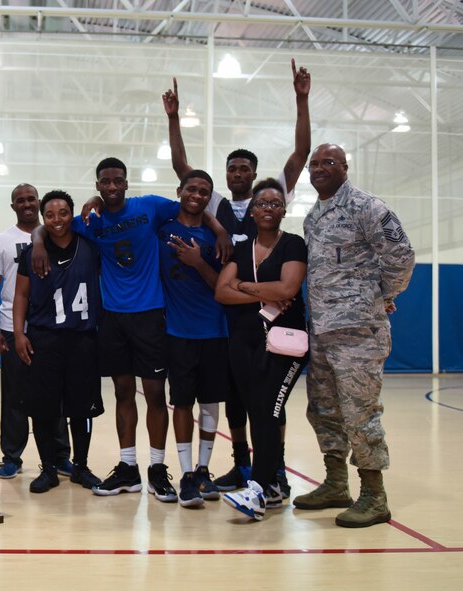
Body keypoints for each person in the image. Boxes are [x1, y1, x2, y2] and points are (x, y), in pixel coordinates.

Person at [32, 157, 231, 502]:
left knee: (154, 395)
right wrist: (36, 242)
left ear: (126, 183)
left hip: (150, 315)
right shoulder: (90, 221)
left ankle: (156, 468)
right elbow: (46, 228)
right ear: (97, 186)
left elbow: (193, 205)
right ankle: (128, 469)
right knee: (124, 394)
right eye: (105, 182)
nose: (111, 187)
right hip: (111, 318)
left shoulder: (150, 206)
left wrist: (220, 229)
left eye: (117, 181)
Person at [163, 59, 311, 497]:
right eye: (233, 169)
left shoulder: (272, 199)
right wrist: (173, 119)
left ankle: (275, 470)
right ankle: (243, 463)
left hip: (276, 321)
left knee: (272, 403)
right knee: (236, 400)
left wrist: (301, 101)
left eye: (245, 168)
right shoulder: (216, 208)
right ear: (227, 176)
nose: (239, 174)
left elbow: (299, 154)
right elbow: (181, 167)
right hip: (232, 321)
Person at [294, 144, 415, 528]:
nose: (318, 169)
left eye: (328, 162)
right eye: (313, 164)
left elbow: (402, 255)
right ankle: (335, 484)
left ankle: (374, 497)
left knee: (360, 415)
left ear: (345, 167)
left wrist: (383, 295)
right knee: (323, 410)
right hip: (323, 331)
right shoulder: (313, 217)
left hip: (359, 333)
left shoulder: (367, 207)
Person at [215, 179, 308, 522]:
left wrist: (243, 285)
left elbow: (288, 287)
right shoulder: (241, 250)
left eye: (275, 203)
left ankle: (258, 487)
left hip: (285, 340)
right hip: (244, 340)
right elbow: (221, 293)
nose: (269, 208)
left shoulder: (294, 244)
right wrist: (261, 292)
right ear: (252, 212)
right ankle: (272, 486)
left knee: (269, 408)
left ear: (284, 210)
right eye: (262, 204)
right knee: (259, 410)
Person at [14, 190, 104, 493]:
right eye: (49, 214)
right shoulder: (31, 253)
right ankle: (49, 468)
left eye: (63, 213)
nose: (57, 220)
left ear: (72, 214)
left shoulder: (91, 247)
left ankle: (81, 466)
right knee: (43, 408)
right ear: (42, 217)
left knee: (82, 408)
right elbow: (21, 295)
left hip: (82, 338)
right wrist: (18, 333)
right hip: (44, 338)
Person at [0, 183, 72, 480]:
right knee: (15, 398)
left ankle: (61, 457)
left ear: (40, 201)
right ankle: (12, 456)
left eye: (31, 198)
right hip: (11, 328)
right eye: (20, 200)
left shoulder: (59, 235)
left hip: (51, 328)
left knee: (56, 396)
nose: (27, 203)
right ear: (13, 206)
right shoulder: (2, 242)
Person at [157, 170, 227, 508]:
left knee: (210, 402)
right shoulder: (163, 229)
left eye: (204, 191)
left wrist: (199, 262)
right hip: (177, 332)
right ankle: (185, 474)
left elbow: (221, 288)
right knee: (182, 403)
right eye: (191, 189)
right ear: (179, 191)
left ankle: (204, 470)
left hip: (214, 331)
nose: (197, 195)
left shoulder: (217, 240)